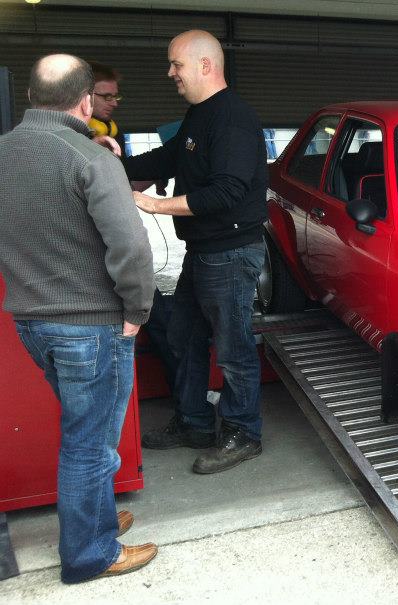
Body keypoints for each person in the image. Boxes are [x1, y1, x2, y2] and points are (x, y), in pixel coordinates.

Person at [0, 54, 157, 582]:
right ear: (87, 102)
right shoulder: (92, 159)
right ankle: (90, 553)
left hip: (30, 321)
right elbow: (130, 247)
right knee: (90, 443)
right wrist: (137, 310)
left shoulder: (4, 152)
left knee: (87, 432)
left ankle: (97, 519)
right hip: (90, 325)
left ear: (30, 97)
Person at [121, 30, 268, 475]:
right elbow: (167, 159)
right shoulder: (199, 115)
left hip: (230, 253)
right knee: (184, 337)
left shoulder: (233, 119)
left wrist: (154, 204)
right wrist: (107, 164)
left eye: (176, 64)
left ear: (205, 65)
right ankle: (194, 422)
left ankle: (243, 433)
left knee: (233, 349)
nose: (170, 73)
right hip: (202, 251)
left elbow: (226, 192)